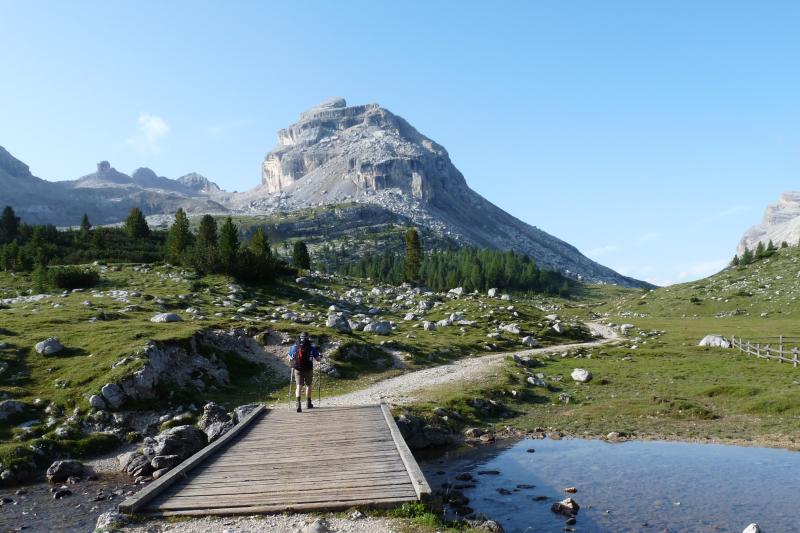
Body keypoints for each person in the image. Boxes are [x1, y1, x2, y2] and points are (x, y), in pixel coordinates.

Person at [288, 332, 321, 412]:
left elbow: (289, 357)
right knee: (308, 385)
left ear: (300, 337)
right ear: (307, 338)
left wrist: (292, 362)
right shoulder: (311, 347)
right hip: (308, 369)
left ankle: (298, 404)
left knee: (299, 386)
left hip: (298, 369)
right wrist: (320, 356)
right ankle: (308, 403)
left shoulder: (294, 347)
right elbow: (318, 359)